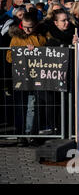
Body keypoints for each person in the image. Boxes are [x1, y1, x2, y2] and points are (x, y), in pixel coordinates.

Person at [6, 11, 47, 146]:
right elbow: (9, 57)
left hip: (36, 77)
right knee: (20, 106)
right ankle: (20, 134)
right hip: (20, 77)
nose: (27, 30)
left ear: (35, 25)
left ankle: (32, 134)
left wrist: (35, 50)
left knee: (35, 106)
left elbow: (46, 54)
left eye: (30, 27)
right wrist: (23, 51)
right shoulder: (16, 38)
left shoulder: (40, 37)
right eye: (24, 27)